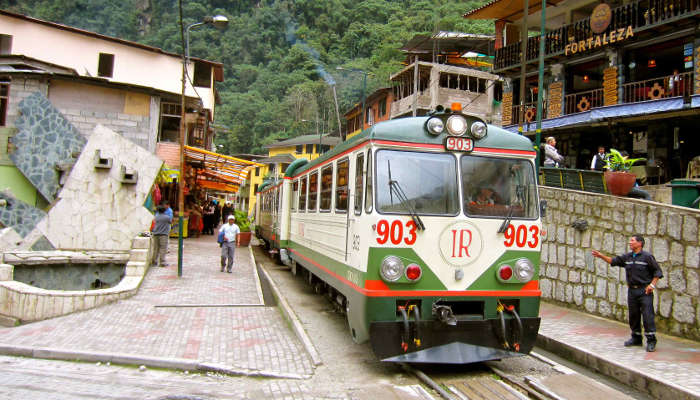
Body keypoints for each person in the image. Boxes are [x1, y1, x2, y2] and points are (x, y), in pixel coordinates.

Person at [591, 234, 663, 352]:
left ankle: (651, 340)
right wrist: (600, 256)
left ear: (640, 243)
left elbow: (657, 272)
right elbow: (613, 261)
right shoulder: (628, 257)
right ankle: (636, 338)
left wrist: (652, 285)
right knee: (633, 315)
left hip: (644, 290)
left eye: (632, 241)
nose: (630, 242)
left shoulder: (647, 257)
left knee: (647, 315)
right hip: (632, 291)